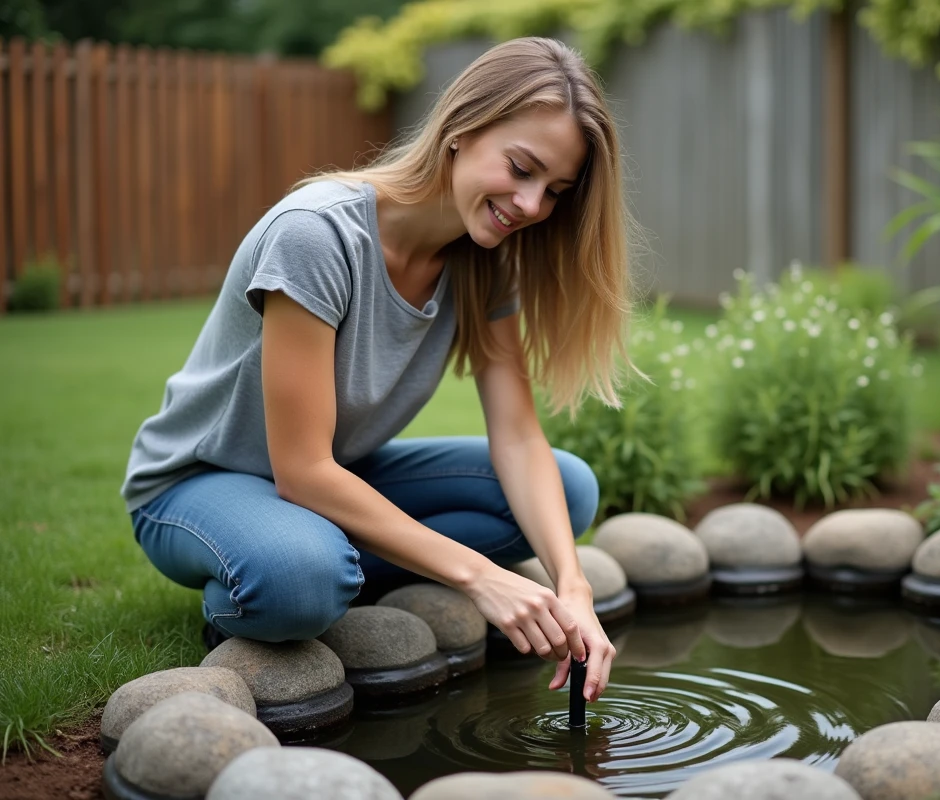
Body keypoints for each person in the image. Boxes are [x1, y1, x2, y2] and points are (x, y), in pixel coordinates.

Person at [120, 37, 636, 703]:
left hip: (332, 477)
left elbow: (517, 435)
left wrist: (574, 584)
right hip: (201, 482)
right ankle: (279, 581)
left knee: (567, 492)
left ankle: (329, 564)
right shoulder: (318, 235)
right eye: (521, 168)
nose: (532, 206)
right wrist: (479, 575)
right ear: (461, 130)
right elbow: (301, 469)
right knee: (301, 577)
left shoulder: (485, 260)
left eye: (555, 191)